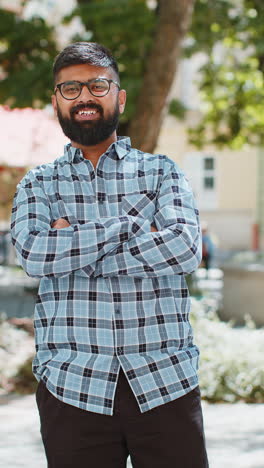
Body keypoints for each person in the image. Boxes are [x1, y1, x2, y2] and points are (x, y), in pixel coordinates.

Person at [11, 42, 208, 468]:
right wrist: (131, 226)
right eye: (70, 89)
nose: (84, 96)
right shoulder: (38, 184)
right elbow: (34, 254)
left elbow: (185, 250)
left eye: (97, 85)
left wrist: (74, 244)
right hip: (71, 387)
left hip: (165, 381)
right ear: (56, 102)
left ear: (119, 97)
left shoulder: (162, 171)